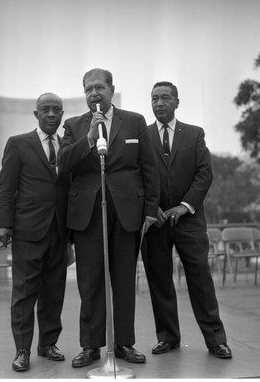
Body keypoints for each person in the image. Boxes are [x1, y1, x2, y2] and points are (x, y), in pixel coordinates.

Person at [57, 68, 159, 368]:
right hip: (88, 215)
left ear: (111, 90)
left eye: (99, 87)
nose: (93, 94)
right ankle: (90, 346)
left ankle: (124, 343)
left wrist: (151, 211)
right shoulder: (74, 126)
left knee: (124, 280)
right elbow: (63, 165)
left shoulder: (135, 121)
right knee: (90, 282)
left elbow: (148, 168)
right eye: (88, 89)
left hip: (127, 213)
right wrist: (88, 139)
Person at [142, 81, 232, 359]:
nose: (159, 103)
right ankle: (168, 338)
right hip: (154, 222)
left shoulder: (194, 134)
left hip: (189, 220)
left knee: (200, 278)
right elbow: (136, 175)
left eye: (165, 98)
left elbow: (204, 174)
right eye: (155, 98)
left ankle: (216, 340)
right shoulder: (141, 136)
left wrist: (184, 206)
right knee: (159, 280)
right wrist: (151, 206)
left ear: (177, 102)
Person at [0, 92, 70, 372]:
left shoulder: (67, 145)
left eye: (56, 110)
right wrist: (4, 224)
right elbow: (6, 187)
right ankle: (23, 350)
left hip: (59, 231)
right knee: (25, 293)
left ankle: (48, 344)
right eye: (46, 109)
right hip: (28, 230)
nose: (51, 114)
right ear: (36, 114)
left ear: (62, 115)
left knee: (54, 292)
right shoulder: (18, 144)